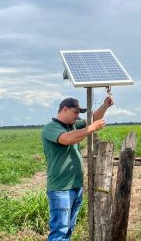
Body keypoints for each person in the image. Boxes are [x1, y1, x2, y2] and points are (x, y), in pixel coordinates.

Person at [42, 96, 114, 241]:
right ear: (64, 109)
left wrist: (104, 106)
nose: (78, 116)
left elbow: (91, 119)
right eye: (75, 112)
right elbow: (67, 139)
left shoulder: (73, 126)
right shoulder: (51, 127)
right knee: (59, 230)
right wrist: (91, 129)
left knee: (68, 229)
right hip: (61, 188)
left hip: (76, 187)